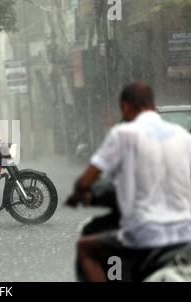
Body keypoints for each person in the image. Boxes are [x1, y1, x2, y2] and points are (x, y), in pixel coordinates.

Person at [65, 82, 191, 282]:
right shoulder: (183, 136)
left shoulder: (123, 134)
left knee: (85, 249)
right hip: (186, 234)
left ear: (125, 106)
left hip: (146, 233)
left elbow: (86, 180)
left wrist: (79, 194)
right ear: (153, 104)